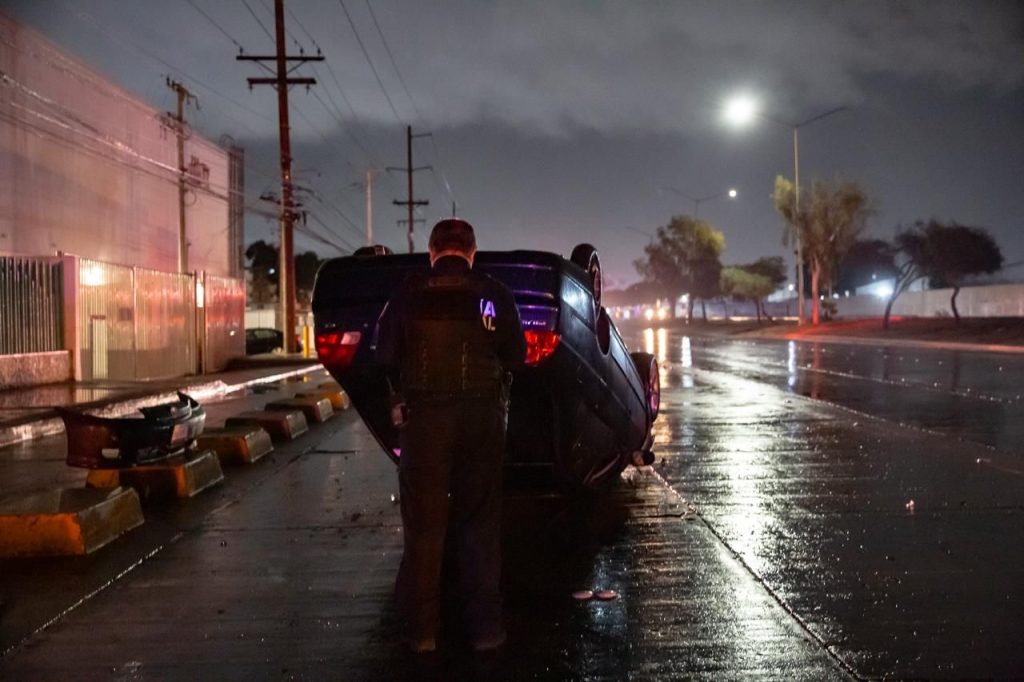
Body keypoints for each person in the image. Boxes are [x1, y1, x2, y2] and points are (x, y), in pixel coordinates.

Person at [375, 218, 526, 654]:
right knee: (479, 524)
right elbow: (515, 356)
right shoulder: (495, 294)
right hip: (482, 420)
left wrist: (397, 400)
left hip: (424, 422)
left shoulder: (406, 293)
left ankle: (422, 634)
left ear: (432, 251)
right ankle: (486, 631)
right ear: (472, 252)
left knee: (423, 529)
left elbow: (383, 355)